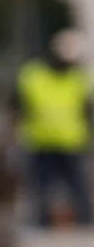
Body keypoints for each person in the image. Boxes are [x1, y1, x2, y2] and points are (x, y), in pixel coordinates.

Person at [14, 29, 94, 227]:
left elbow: (89, 111)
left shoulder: (81, 78)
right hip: (40, 141)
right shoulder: (33, 75)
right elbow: (17, 106)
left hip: (71, 142)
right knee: (41, 189)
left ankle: (85, 222)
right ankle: (41, 223)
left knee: (78, 187)